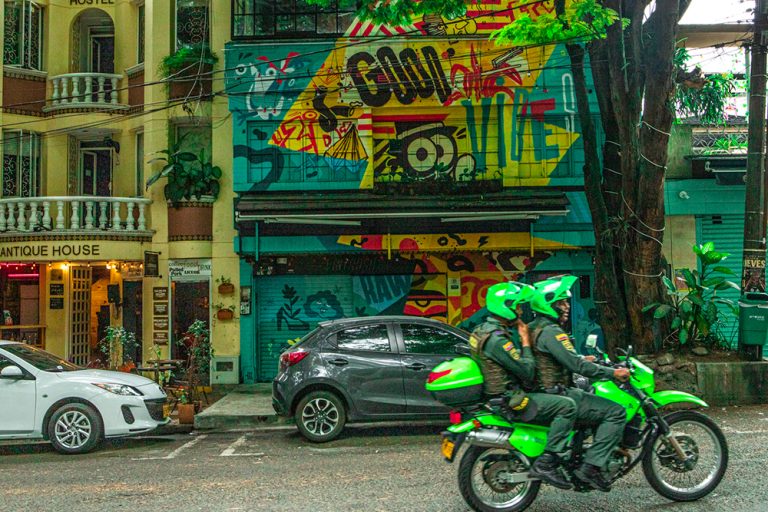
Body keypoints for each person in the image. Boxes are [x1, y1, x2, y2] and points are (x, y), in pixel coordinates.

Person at [471, 281, 577, 490]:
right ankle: (548, 461)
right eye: (517, 306)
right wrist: (526, 341)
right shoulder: (498, 339)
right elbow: (527, 372)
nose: (520, 311)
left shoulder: (481, 330)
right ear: (506, 307)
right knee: (567, 406)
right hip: (510, 398)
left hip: (495, 393)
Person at [528, 275, 630, 492]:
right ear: (548, 304)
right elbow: (577, 366)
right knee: (615, 412)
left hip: (544, 391)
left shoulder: (534, 327)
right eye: (561, 302)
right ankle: (591, 467)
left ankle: (578, 455)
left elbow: (555, 358)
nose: (566, 307)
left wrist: (584, 358)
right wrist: (613, 372)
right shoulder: (551, 331)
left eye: (566, 302)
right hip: (557, 394)